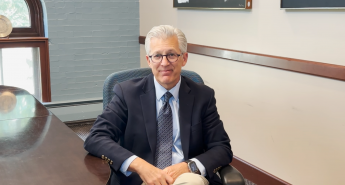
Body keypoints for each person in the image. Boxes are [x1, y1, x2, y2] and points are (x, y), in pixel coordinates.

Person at [84, 25, 233, 185]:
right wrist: (141, 166)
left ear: (184, 58)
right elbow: (96, 137)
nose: (164, 63)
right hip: (141, 179)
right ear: (149, 60)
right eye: (157, 56)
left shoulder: (203, 96)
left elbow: (221, 147)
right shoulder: (127, 93)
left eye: (171, 55)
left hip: (186, 178)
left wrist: (188, 167)